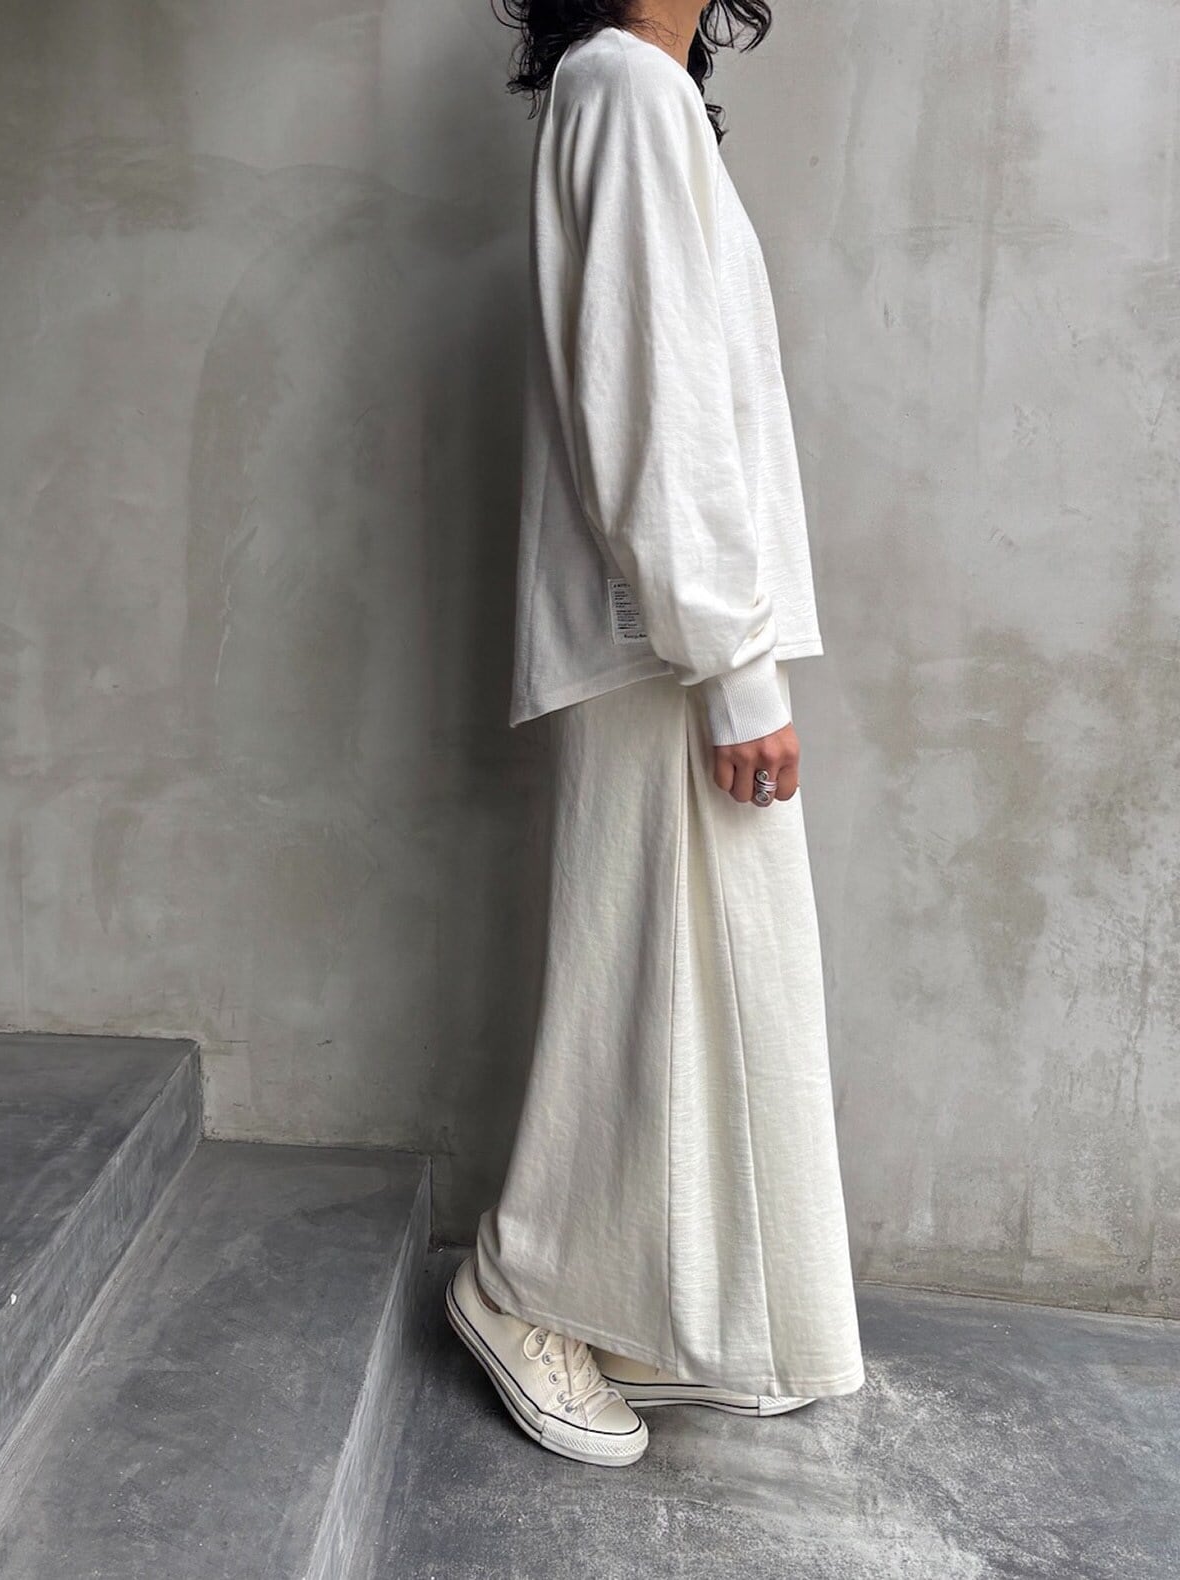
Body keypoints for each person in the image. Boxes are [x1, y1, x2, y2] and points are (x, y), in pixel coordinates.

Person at [444, 0, 865, 1468]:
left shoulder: (643, 91)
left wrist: (731, 649)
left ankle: (637, 1310)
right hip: (667, 648)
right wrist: (734, 670)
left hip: (676, 635)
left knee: (706, 979)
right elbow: (652, 406)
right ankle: (520, 1286)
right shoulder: (621, 85)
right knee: (637, 974)